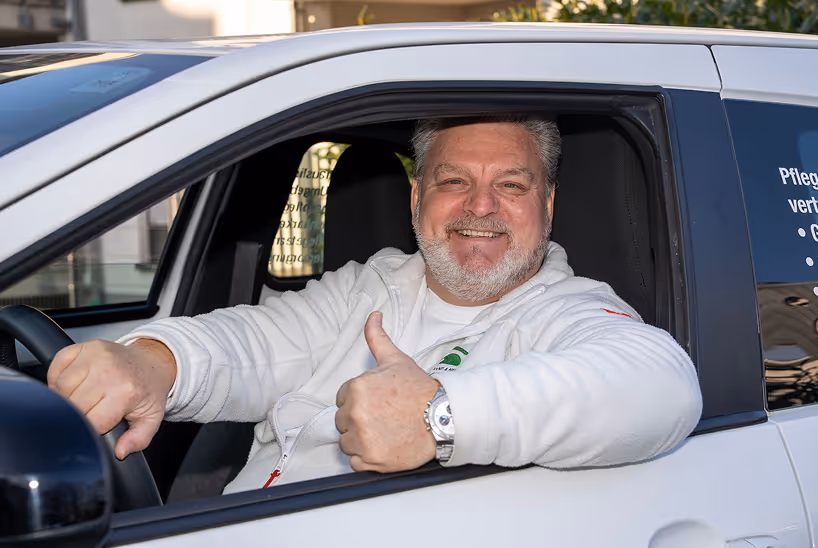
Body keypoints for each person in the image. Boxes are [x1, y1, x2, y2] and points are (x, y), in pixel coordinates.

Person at [48, 116, 702, 495]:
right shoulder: (375, 282)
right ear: (417, 197)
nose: (480, 206)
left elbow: (661, 384)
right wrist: (152, 361)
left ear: (548, 205)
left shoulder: (567, 310)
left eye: (511, 184)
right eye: (454, 181)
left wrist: (439, 417)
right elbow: (259, 341)